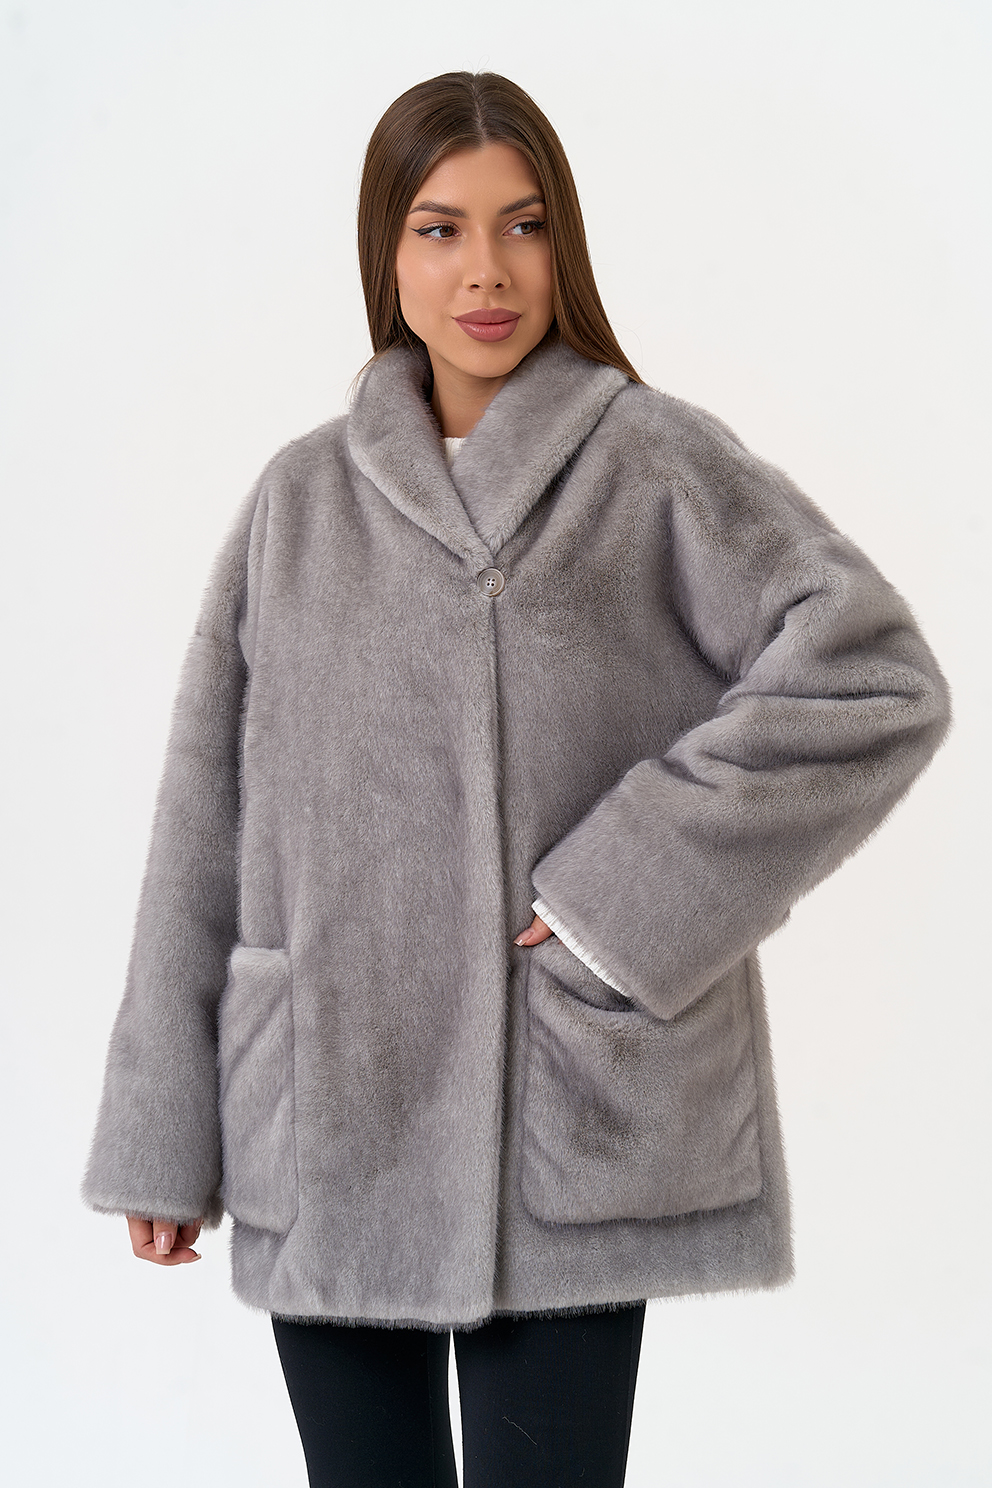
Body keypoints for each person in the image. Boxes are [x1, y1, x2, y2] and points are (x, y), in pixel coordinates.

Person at [82, 70, 951, 1487]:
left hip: (562, 1113)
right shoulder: (299, 501)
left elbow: (869, 676)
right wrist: (163, 1136)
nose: (486, 270)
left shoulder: (651, 461)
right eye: (440, 229)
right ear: (386, 251)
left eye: (523, 224)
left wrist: (623, 898)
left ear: (565, 245)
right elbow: (203, 823)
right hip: (326, 1116)